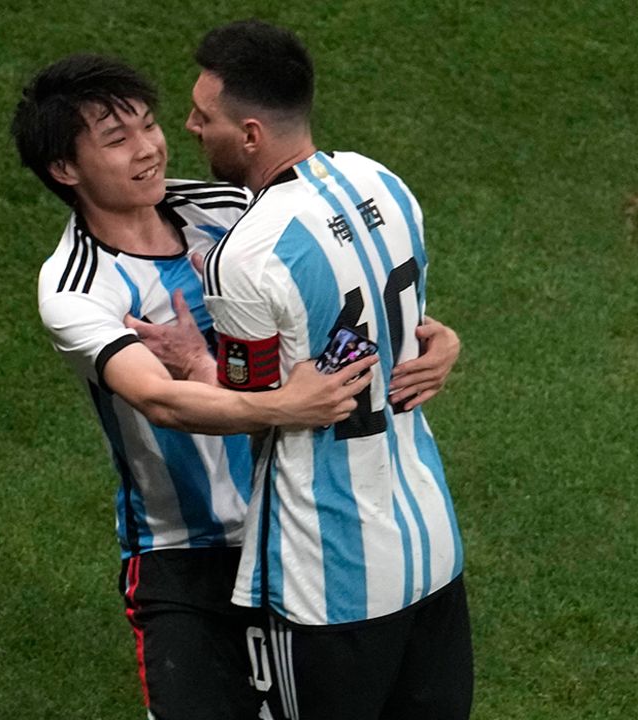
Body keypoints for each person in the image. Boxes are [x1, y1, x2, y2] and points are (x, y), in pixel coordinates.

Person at [10, 55, 460, 720]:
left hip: (293, 527)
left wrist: (434, 335)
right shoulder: (76, 287)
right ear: (65, 170)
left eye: (148, 125)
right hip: (184, 551)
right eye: (117, 139)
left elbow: (341, 292)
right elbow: (158, 399)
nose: (150, 147)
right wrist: (283, 406)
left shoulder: (229, 208)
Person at [174, 20, 474, 719]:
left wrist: (194, 361)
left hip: (327, 575)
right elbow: (417, 332)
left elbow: (254, 411)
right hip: (430, 545)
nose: (188, 126)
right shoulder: (383, 182)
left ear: (250, 135)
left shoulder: (245, 256)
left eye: (203, 115)